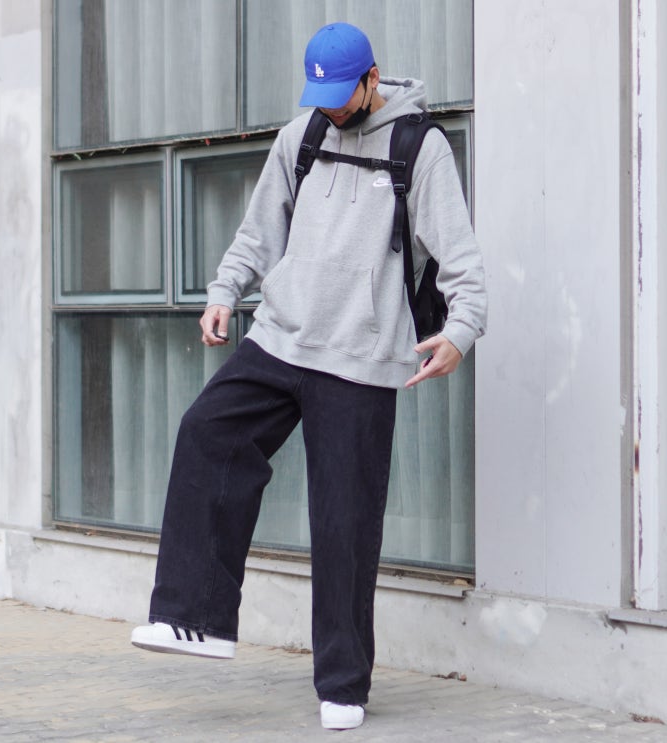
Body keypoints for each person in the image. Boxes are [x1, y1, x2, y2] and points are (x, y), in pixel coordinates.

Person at [132, 22, 487, 731]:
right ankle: (196, 618)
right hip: (281, 337)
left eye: (341, 94)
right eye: (319, 95)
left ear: (372, 79)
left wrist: (460, 331)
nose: (330, 107)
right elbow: (259, 231)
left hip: (360, 359)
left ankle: (344, 686)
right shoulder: (302, 136)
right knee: (207, 432)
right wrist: (224, 291)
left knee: (344, 522)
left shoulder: (419, 147)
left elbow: (460, 257)